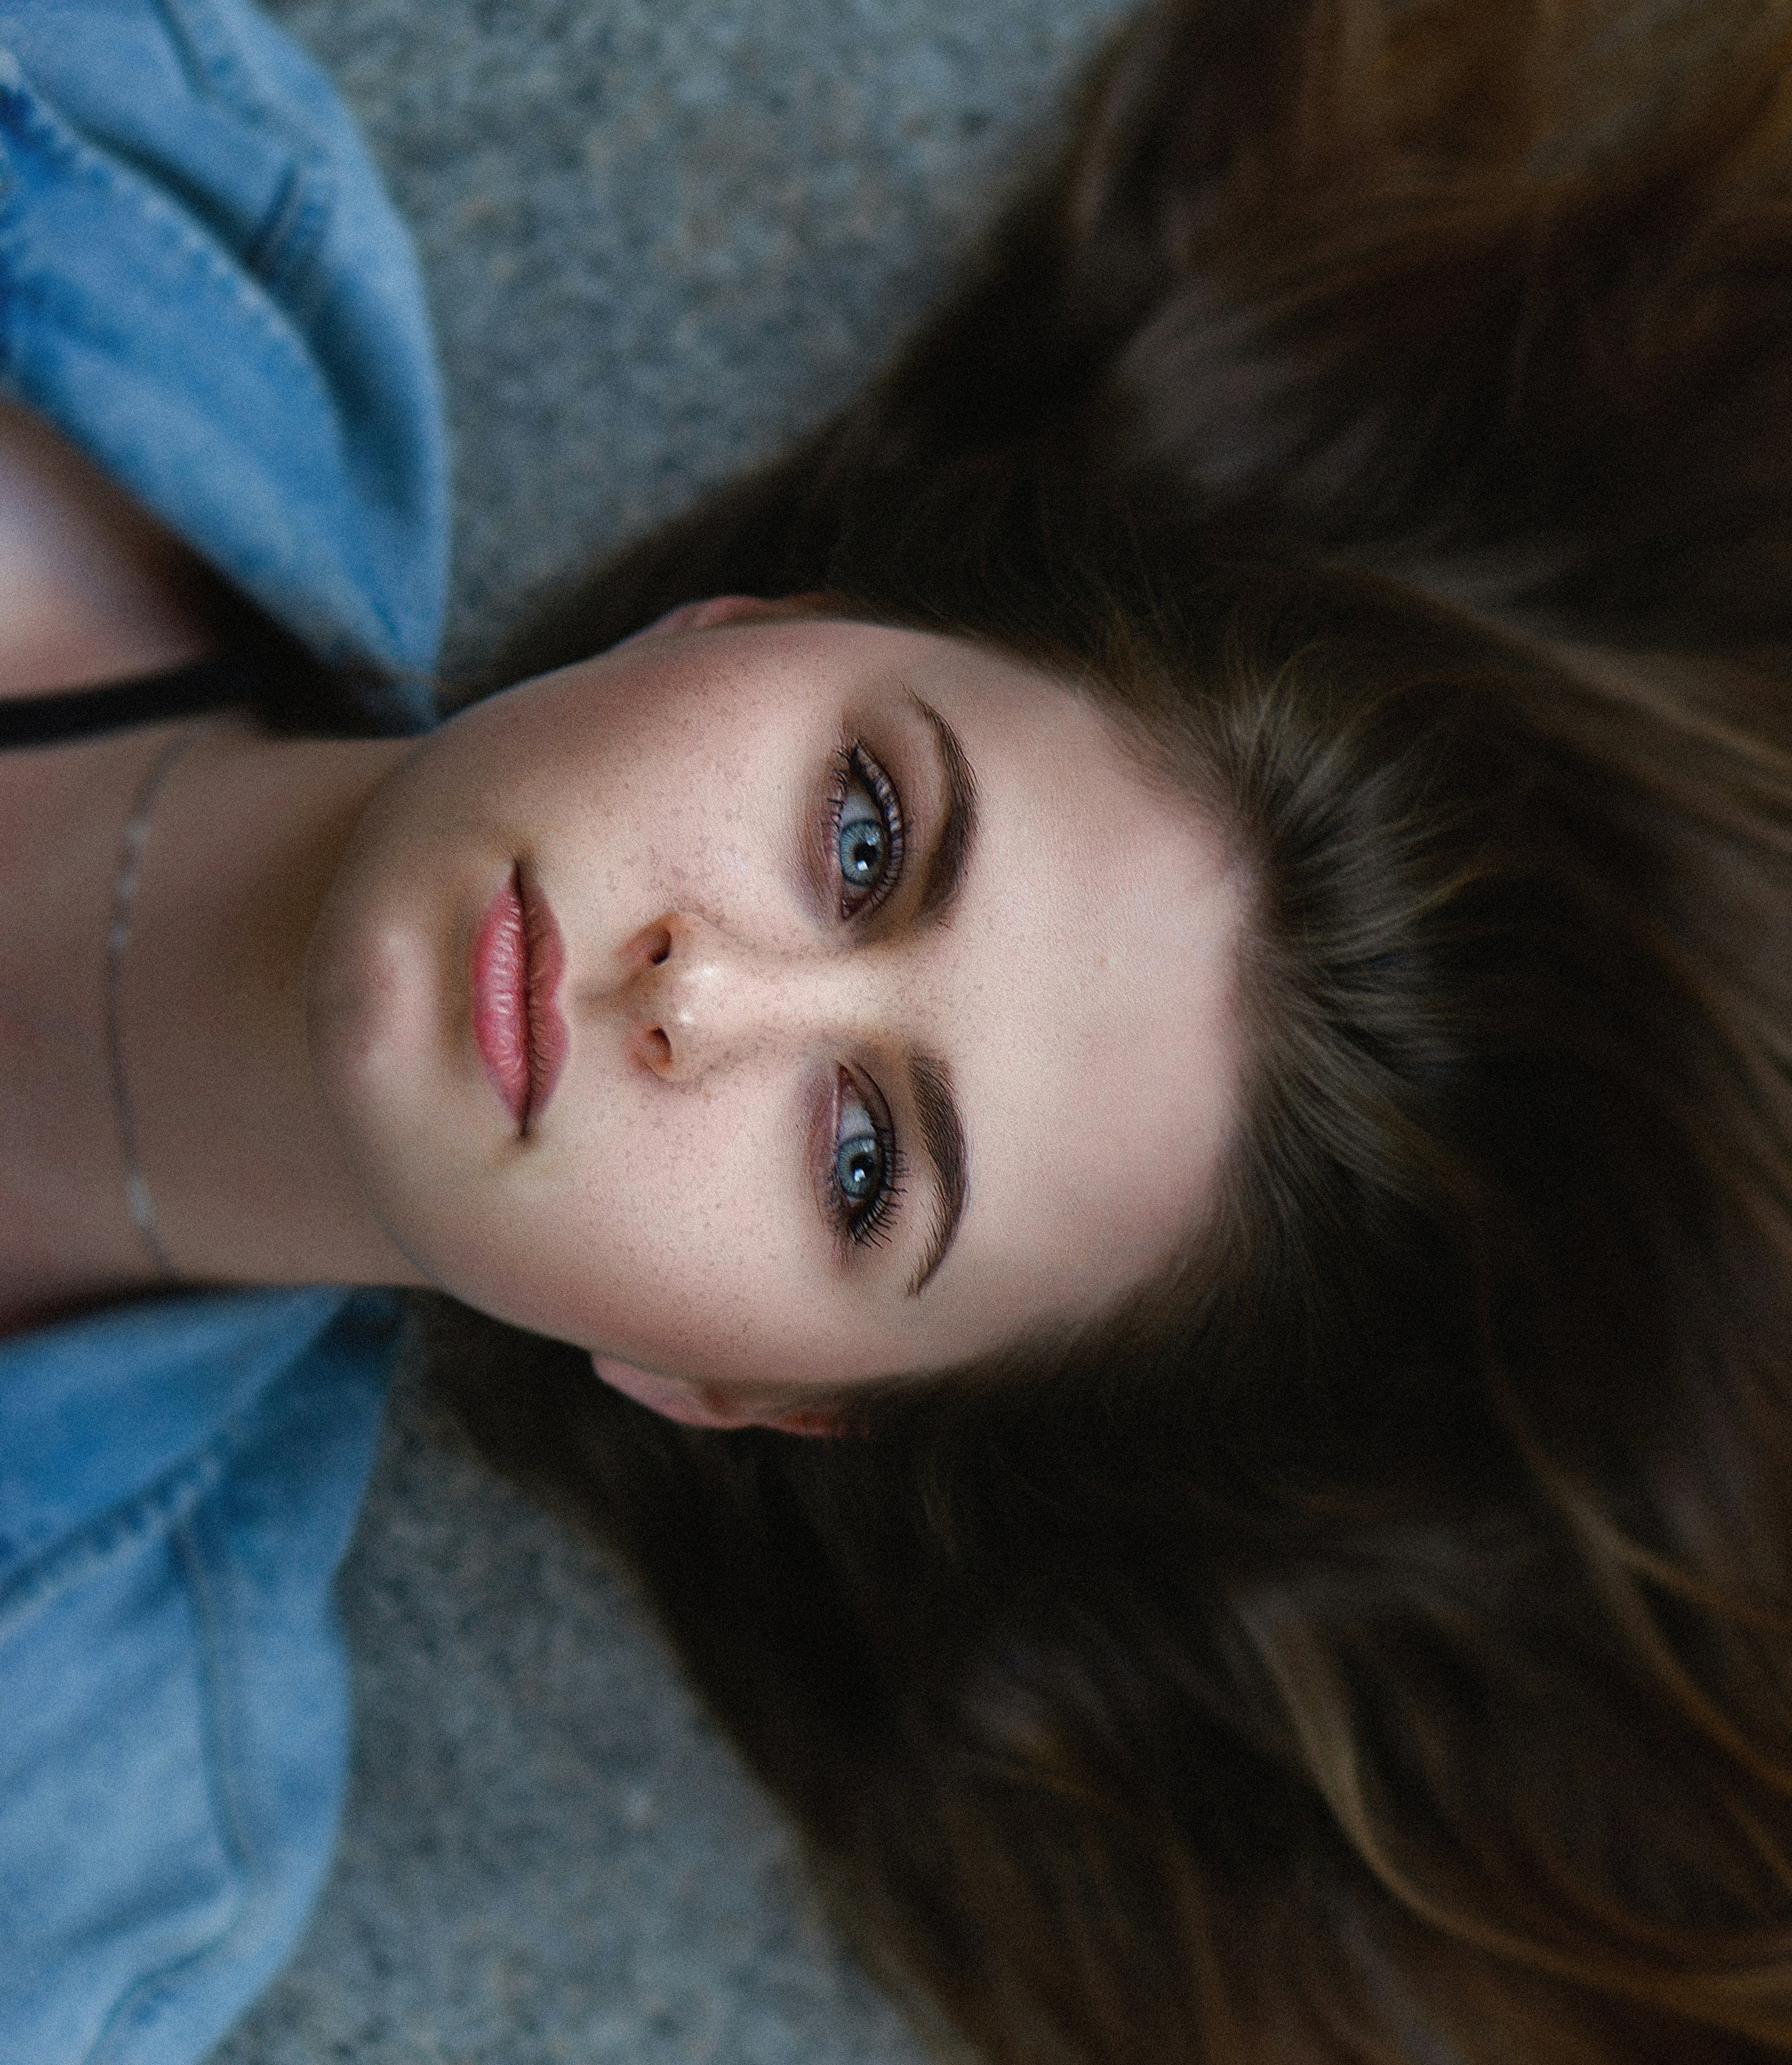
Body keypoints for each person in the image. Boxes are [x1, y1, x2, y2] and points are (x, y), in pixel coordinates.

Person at [7, 4, 1792, 2065]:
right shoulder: (137, 170)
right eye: (865, 838)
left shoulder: (85, 1866)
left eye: (862, 1164)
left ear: (734, 1387)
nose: (697, 995)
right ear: (760, 626)